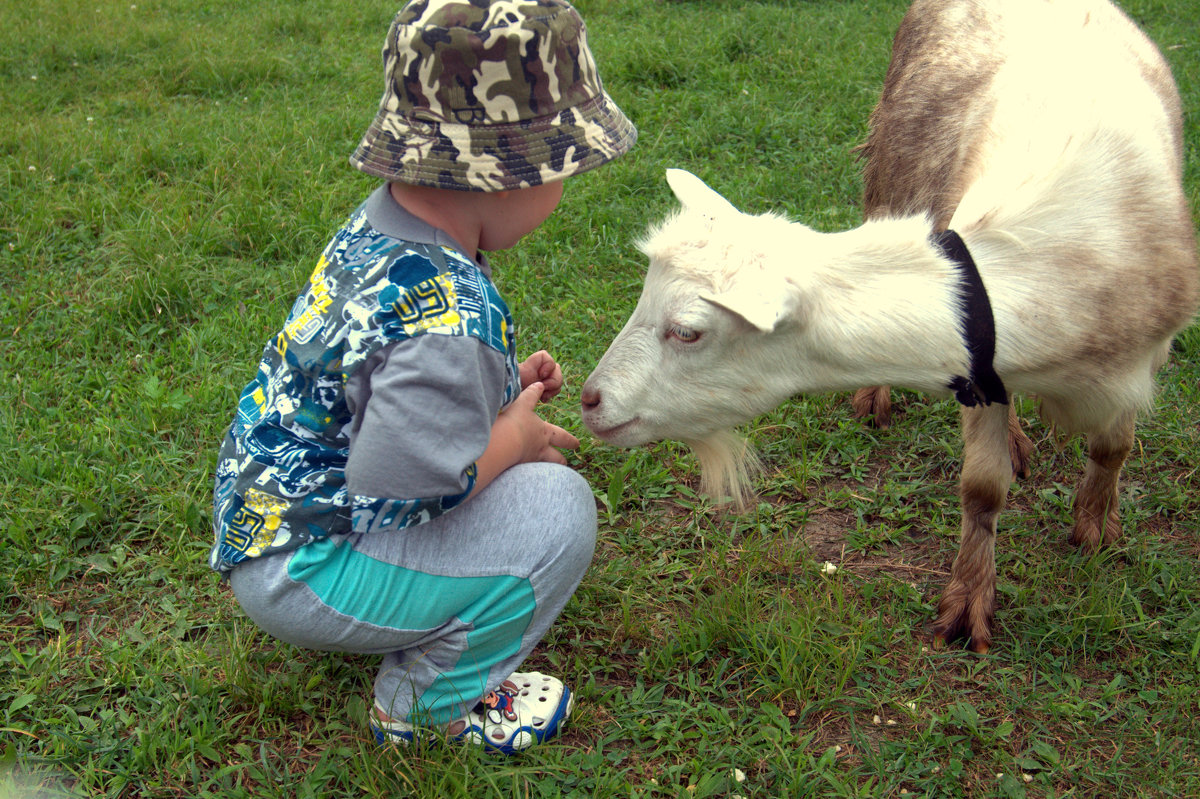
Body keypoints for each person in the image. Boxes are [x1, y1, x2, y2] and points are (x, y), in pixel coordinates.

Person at [208, 0, 635, 754]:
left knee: (525, 480)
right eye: (566, 167)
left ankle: (413, 614)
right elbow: (403, 487)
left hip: (267, 515)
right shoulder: (447, 323)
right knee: (559, 510)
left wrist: (493, 396)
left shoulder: (381, 226)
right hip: (309, 567)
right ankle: (428, 706)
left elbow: (378, 379)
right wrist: (512, 437)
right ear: (508, 175)